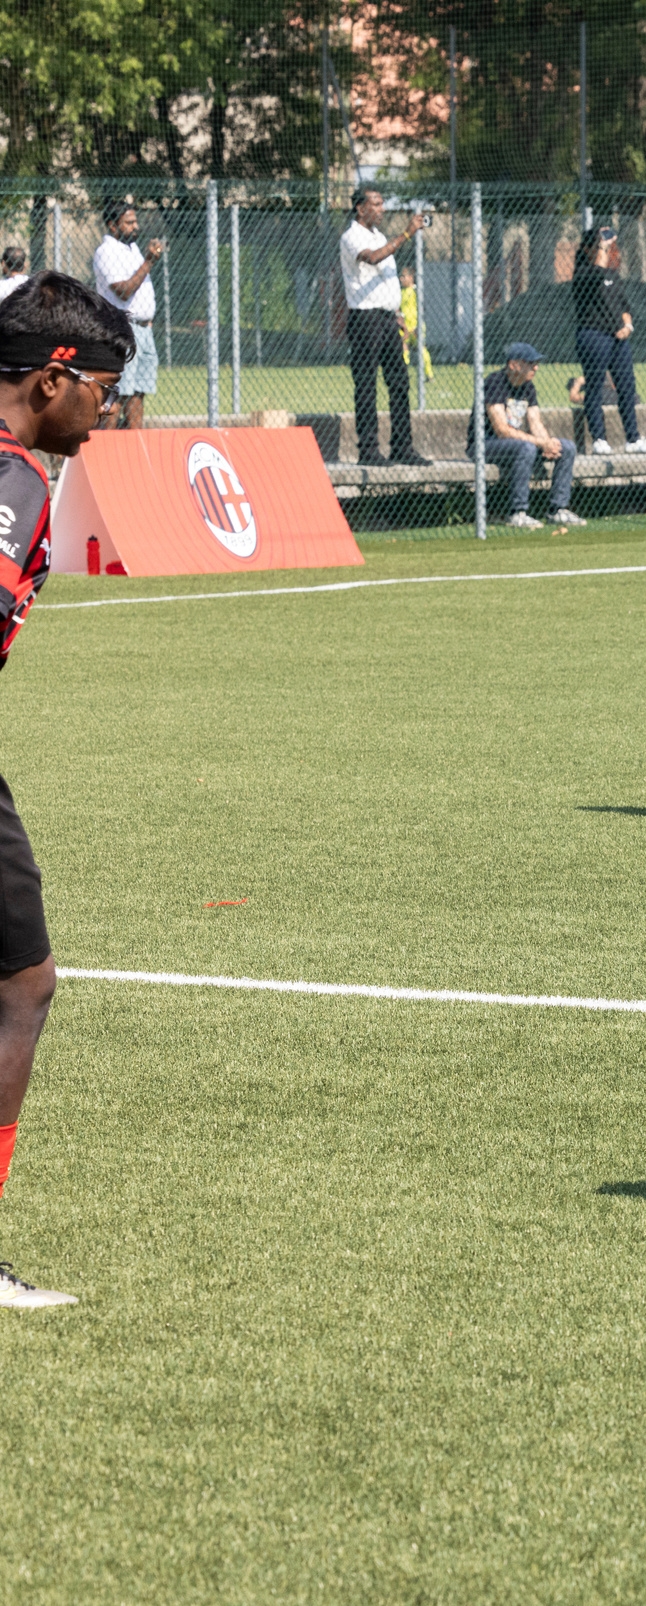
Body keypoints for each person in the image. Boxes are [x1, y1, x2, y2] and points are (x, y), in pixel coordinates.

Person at [0, 272, 132, 1309]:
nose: (114, 410)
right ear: (53, 379)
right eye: (106, 387)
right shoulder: (15, 483)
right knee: (21, 990)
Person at [339, 188, 430, 466]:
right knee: (367, 385)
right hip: (365, 319)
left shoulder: (378, 235)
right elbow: (373, 258)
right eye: (376, 204)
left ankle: (402, 447)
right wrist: (406, 234)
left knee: (399, 382)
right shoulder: (352, 236)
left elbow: (387, 280)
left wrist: (398, 313)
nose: (382, 209)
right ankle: (368, 451)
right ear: (360, 208)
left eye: (382, 204)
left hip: (388, 319)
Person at [571, 227, 646, 457]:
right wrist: (602, 245)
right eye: (601, 247)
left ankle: (633, 439)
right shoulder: (582, 274)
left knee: (627, 387)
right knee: (595, 387)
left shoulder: (613, 275)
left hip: (617, 339)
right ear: (589, 249)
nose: (607, 250)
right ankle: (599, 439)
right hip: (593, 336)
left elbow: (624, 307)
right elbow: (598, 273)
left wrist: (627, 326)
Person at [474, 342, 584, 531]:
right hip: (486, 444)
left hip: (516, 445)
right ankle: (518, 512)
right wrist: (540, 443)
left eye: (536, 363)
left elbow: (535, 422)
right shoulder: (495, 383)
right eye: (531, 363)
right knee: (527, 448)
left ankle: (558, 509)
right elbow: (501, 430)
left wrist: (548, 443)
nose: (536, 367)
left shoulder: (528, 387)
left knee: (566, 447)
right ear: (514, 365)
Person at [91, 203, 162, 430]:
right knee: (119, 392)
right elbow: (123, 290)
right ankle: (109, 447)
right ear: (113, 225)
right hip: (123, 329)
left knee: (138, 392)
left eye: (135, 221)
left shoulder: (131, 248)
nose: (136, 226)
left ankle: (134, 444)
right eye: (129, 223)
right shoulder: (106, 252)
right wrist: (149, 261)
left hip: (143, 330)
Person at [397, 264, 428, 386]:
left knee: (421, 349)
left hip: (416, 325)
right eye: (400, 276)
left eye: (404, 276)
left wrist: (417, 325)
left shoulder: (415, 291)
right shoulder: (400, 292)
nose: (401, 279)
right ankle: (403, 372)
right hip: (404, 325)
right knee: (403, 348)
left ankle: (429, 374)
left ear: (411, 277)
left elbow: (422, 308)